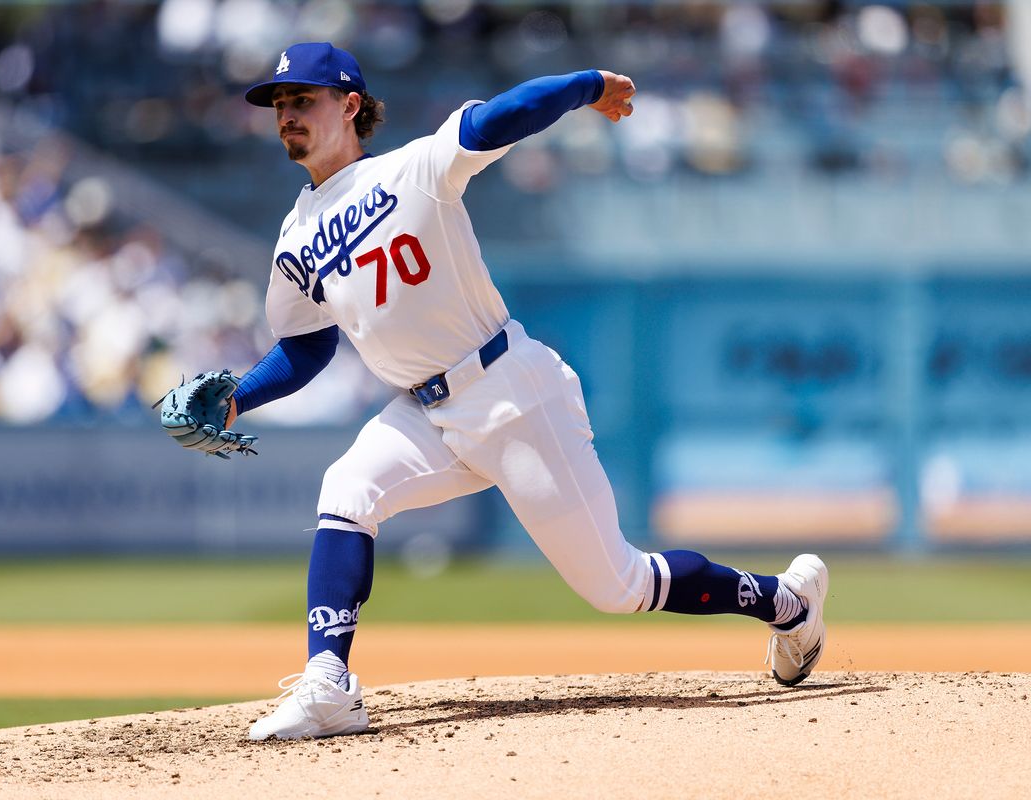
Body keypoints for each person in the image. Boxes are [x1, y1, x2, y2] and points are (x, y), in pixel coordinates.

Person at [227, 42, 828, 741]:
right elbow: (308, 344)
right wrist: (239, 397)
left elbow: (497, 118)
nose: (286, 115)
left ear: (351, 105)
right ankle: (329, 684)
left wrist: (585, 85)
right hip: (426, 411)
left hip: (509, 392)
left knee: (620, 586)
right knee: (347, 490)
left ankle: (788, 604)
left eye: (303, 99)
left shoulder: (414, 168)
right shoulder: (294, 234)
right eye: (279, 103)